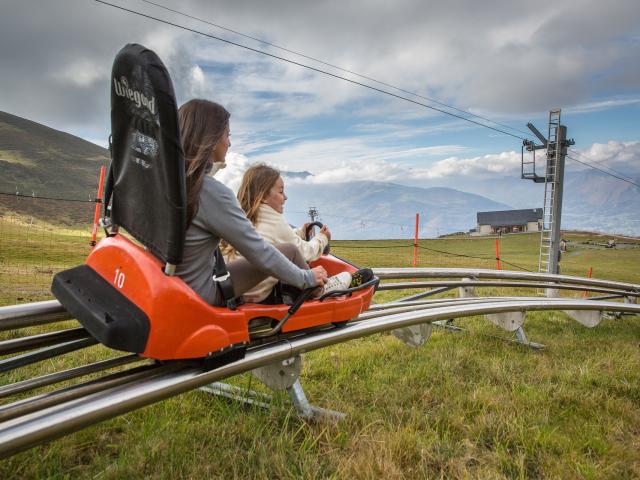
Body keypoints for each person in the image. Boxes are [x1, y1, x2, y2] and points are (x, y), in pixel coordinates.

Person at [174, 99, 349, 307]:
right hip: (203, 292)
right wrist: (307, 277)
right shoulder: (211, 192)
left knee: (284, 251)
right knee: (289, 252)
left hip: (179, 283)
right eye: (227, 135)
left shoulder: (172, 185)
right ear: (211, 139)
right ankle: (320, 290)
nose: (229, 143)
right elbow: (261, 253)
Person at [222, 164, 342, 303]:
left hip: (237, 288)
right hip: (259, 294)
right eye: (280, 192)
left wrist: (299, 233)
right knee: (292, 251)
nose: (285, 197)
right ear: (264, 196)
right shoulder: (274, 219)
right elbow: (305, 251)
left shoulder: (242, 215)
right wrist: (322, 239)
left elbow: (269, 238)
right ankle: (321, 290)